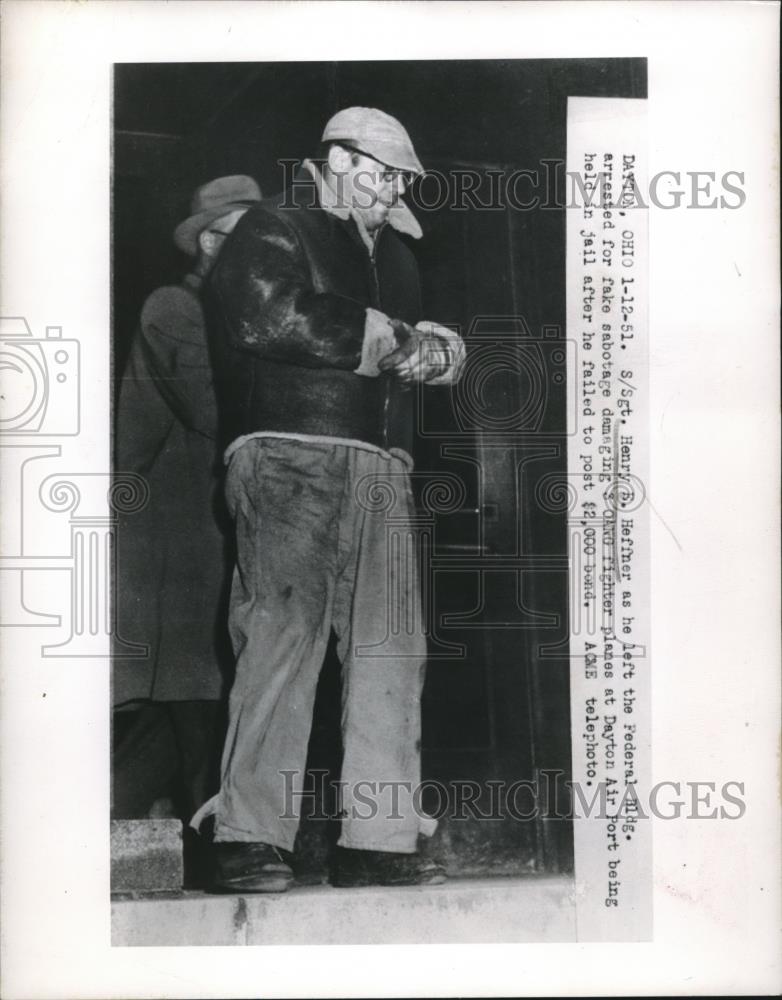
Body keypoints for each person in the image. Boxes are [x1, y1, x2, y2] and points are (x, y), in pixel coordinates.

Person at [196, 109, 465, 892]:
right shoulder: (273, 226)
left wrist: (440, 352)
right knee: (283, 639)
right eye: (383, 174)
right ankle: (248, 836)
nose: (393, 191)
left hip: (381, 468)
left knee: (392, 649)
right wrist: (394, 340)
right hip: (288, 454)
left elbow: (408, 349)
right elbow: (267, 314)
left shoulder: (398, 259)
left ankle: (377, 840)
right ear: (339, 161)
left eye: (402, 180)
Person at [112, 176, 262, 844]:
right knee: (193, 685)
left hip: (210, 519)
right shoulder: (174, 307)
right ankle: (209, 845)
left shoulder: (235, 314)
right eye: (237, 236)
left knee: (200, 689)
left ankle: (194, 834)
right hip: (174, 527)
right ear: (207, 240)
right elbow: (212, 411)